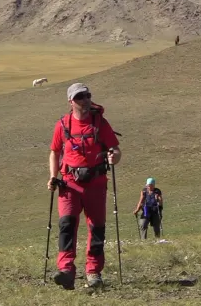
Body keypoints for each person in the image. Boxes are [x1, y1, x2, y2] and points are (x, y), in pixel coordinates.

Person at [47, 82, 121, 290]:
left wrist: (114, 157)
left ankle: (93, 272)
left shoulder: (100, 123)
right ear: (71, 101)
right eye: (80, 97)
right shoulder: (62, 125)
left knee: (96, 228)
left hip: (96, 184)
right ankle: (66, 271)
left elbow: (115, 149)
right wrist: (53, 176)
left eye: (87, 96)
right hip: (69, 184)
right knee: (67, 225)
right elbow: (55, 152)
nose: (85, 100)